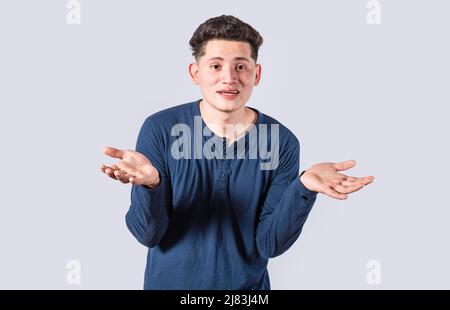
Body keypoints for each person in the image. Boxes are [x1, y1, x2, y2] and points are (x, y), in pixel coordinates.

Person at [100, 15, 374, 290]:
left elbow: (270, 243)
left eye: (241, 66)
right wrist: (151, 186)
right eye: (215, 66)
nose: (229, 78)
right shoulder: (160, 128)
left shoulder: (282, 142)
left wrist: (303, 188)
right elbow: (147, 234)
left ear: (256, 74)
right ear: (196, 73)